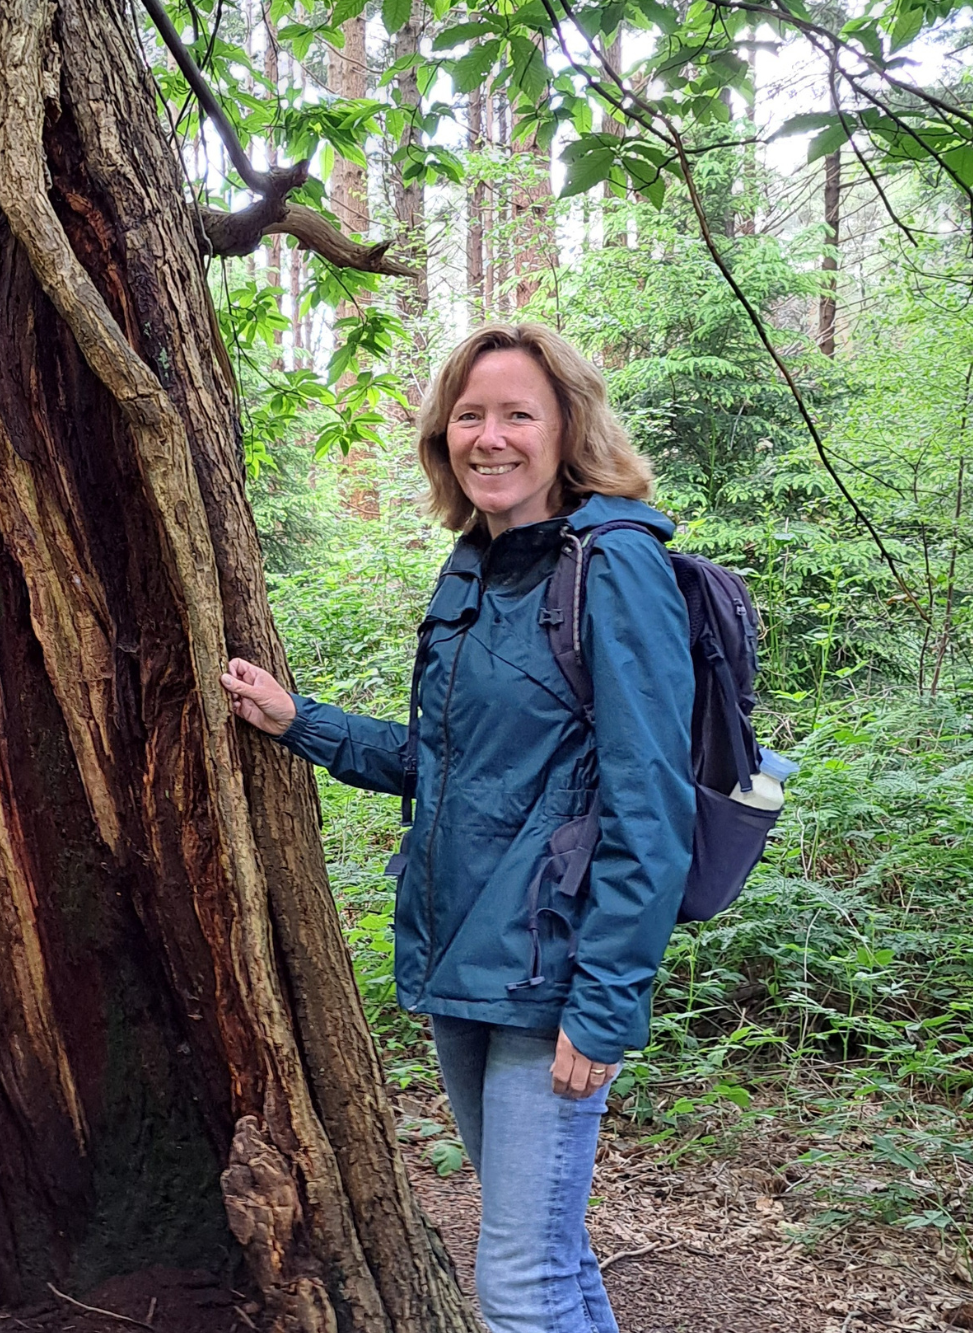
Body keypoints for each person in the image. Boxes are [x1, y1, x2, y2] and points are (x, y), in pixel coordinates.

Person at [221, 324, 694, 1333]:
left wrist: (604, 1002)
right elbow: (446, 767)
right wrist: (299, 721)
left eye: (515, 413)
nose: (489, 436)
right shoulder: (471, 570)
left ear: (565, 426)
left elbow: (652, 805)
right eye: (468, 415)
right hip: (461, 968)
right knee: (550, 1263)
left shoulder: (611, 566)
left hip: (547, 978)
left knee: (516, 1289)